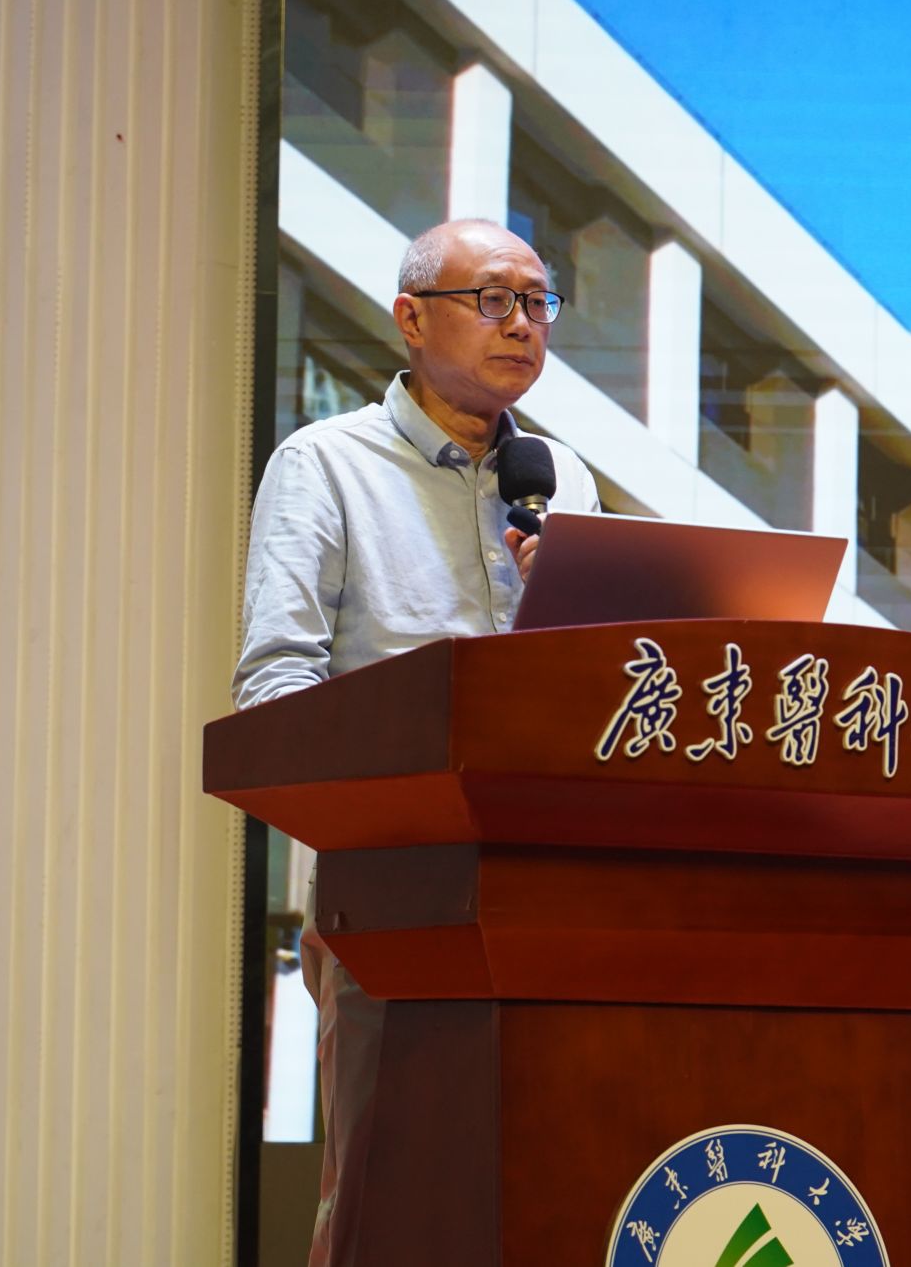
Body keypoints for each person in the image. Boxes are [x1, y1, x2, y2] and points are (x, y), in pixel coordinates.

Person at [233, 218, 601, 1266]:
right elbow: (274, 688)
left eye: (537, 303)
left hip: (554, 892)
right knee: (389, 1200)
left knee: (552, 1195)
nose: (522, 325)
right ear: (410, 317)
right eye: (492, 299)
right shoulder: (326, 466)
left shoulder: (562, 481)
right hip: (395, 892)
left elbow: (595, 697)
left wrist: (567, 614)